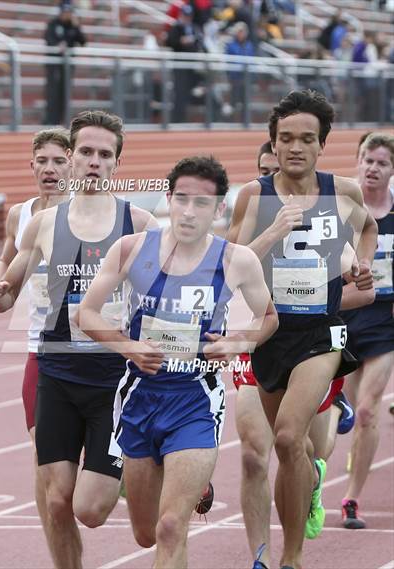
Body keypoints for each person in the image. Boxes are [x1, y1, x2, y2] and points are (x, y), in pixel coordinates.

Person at [78, 155, 279, 569]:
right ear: (168, 199)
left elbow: (269, 317)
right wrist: (128, 347)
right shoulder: (132, 250)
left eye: (202, 203)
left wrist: (238, 341)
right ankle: (193, 490)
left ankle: (188, 482)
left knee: (172, 527)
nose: (190, 211)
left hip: (195, 401)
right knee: (147, 532)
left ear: (219, 208)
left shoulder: (236, 260)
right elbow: (87, 313)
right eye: (182, 199)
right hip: (139, 398)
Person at [0, 110, 157, 569]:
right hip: (56, 374)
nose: (94, 162)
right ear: (72, 159)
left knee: (90, 510)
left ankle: (149, 466)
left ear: (117, 164)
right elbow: (8, 294)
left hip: (113, 381)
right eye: (86, 152)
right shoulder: (42, 223)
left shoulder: (139, 221)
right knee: (56, 499)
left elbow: (167, 291)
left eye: (105, 154)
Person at [227, 89, 377, 569]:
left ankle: (291, 559)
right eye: (286, 138)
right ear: (273, 144)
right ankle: (302, 497)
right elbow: (229, 265)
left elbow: (369, 228)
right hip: (270, 334)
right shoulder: (254, 196)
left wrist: (364, 266)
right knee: (286, 448)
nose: (295, 147)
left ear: (321, 145)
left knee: (289, 437)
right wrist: (273, 231)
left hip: (322, 332)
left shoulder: (343, 193)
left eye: (306, 139)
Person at [0, 128, 71, 561]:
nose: (50, 169)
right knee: (45, 462)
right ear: (31, 165)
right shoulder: (21, 215)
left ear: (73, 165)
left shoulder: (92, 214)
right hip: (43, 350)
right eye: (42, 161)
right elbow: (7, 288)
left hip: (100, 352)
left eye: (58, 161)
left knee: (98, 486)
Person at [340, 132, 394, 529]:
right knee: (338, 413)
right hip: (341, 318)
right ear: (357, 162)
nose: (373, 168)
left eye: (382, 163)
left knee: (366, 411)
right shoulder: (341, 210)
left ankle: (351, 498)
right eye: (368, 160)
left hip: (385, 320)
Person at [44, 3, 86, 125]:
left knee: (65, 94)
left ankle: (64, 121)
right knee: (53, 94)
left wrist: (77, 27)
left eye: (69, 13)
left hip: (67, 68)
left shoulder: (73, 26)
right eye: (65, 12)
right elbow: (49, 39)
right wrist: (58, 46)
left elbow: (83, 41)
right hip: (54, 67)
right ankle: (51, 121)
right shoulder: (53, 24)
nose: (67, 15)